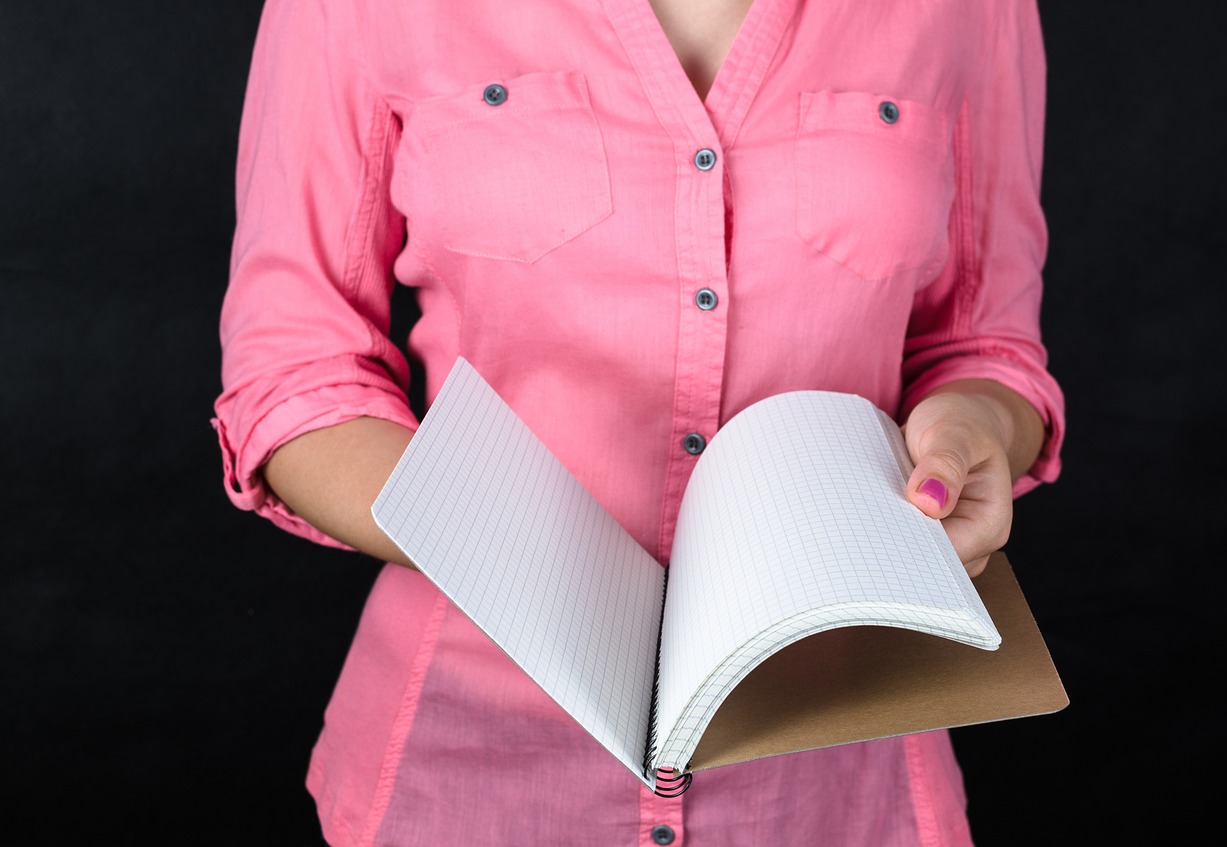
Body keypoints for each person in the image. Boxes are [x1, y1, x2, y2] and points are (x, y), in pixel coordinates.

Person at [213, 0, 1064, 843]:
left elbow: (987, 345)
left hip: (840, 769)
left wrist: (974, 426)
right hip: (465, 761)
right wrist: (524, 556)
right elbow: (296, 371)